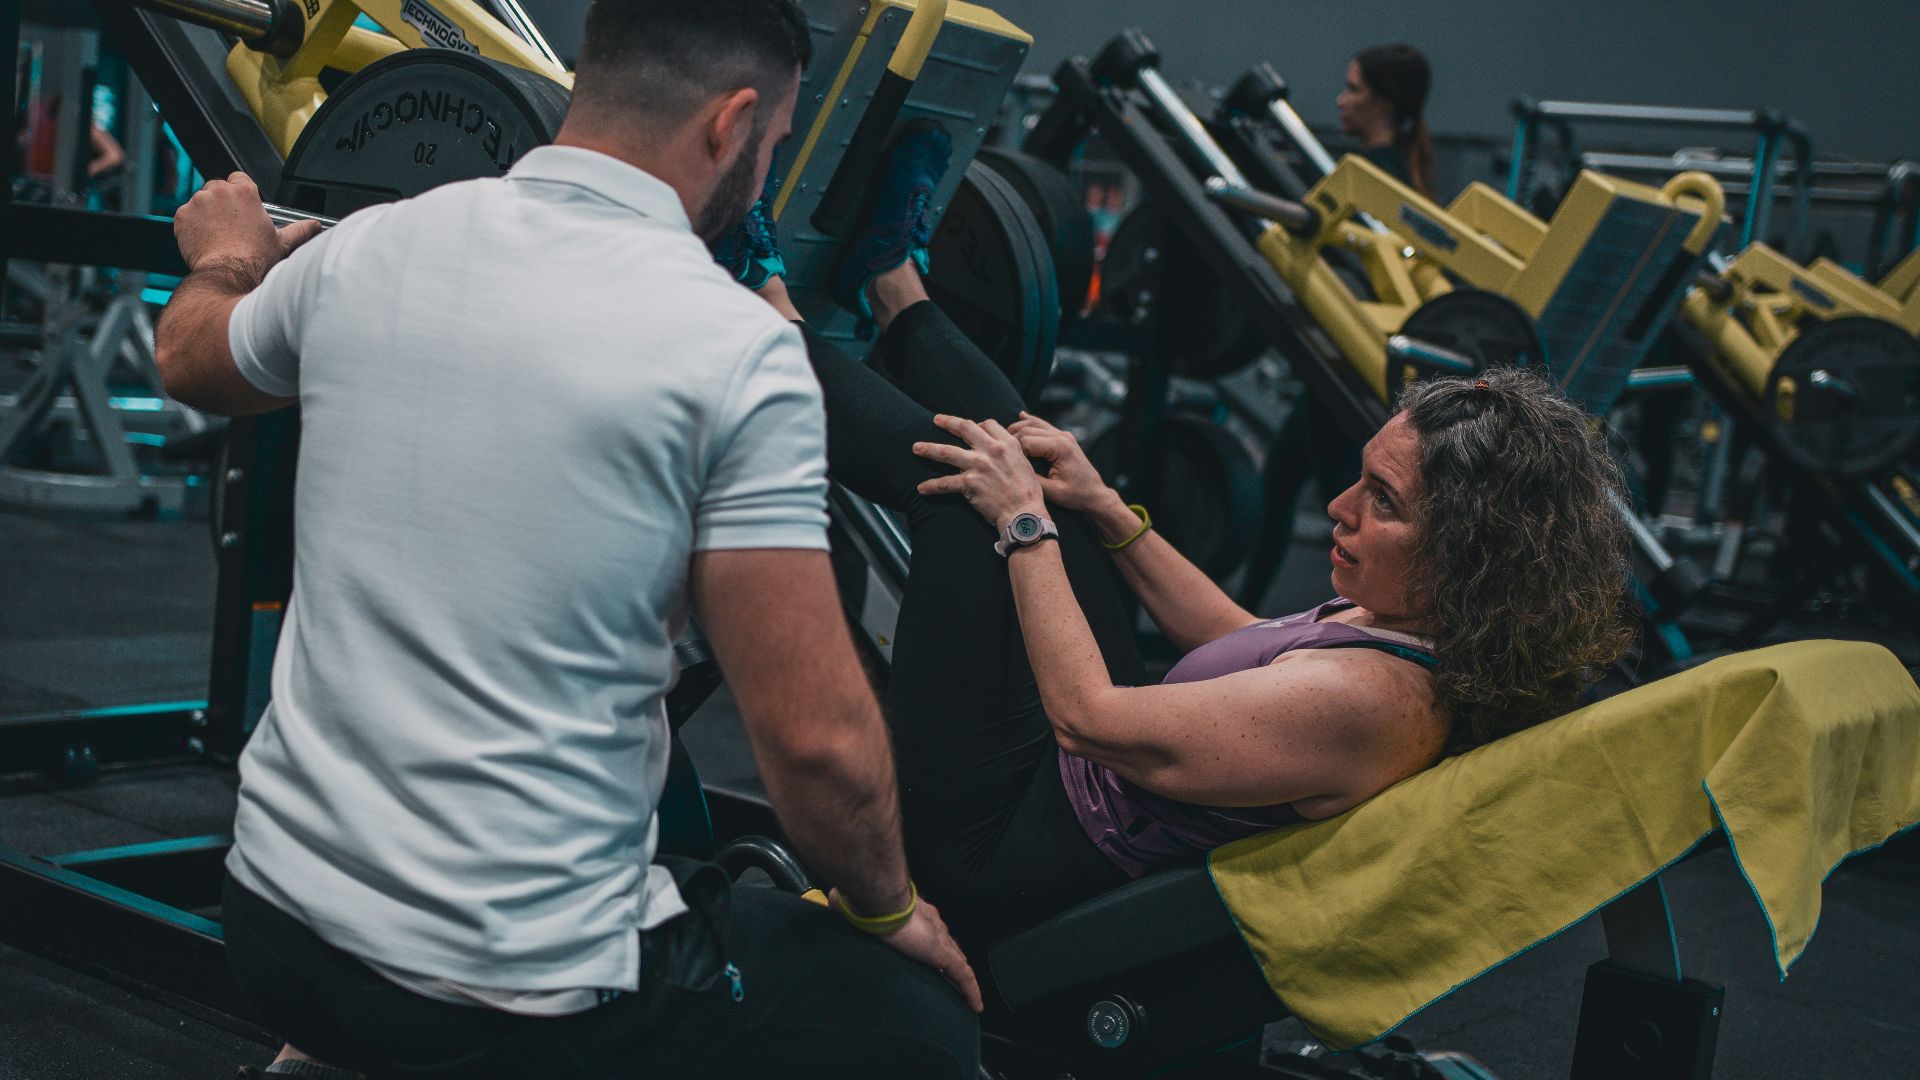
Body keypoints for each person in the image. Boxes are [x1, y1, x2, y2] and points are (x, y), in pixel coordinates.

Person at [152, 1, 982, 1076]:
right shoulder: (735, 350)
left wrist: (227, 256)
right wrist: (892, 914)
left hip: (273, 925)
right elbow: (819, 747)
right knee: (912, 1019)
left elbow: (189, 358)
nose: (764, 176)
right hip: (516, 1000)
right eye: (773, 150)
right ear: (733, 126)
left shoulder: (365, 251)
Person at [725, 125, 1634, 950]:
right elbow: (1242, 639)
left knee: (966, 502)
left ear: (1473, 555)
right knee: (1044, 466)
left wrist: (1024, 524)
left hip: (996, 844)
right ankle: (893, 281)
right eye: (1360, 480)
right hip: (1078, 776)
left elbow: (1090, 720)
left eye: (1384, 503)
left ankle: (758, 298)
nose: (1342, 511)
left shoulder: (1371, 704)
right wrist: (1103, 507)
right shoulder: (1419, 624)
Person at [1335, 42, 1436, 200]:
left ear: (1384, 105)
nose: (1340, 101)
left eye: (1354, 89)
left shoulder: (1372, 175)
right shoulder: (1401, 168)